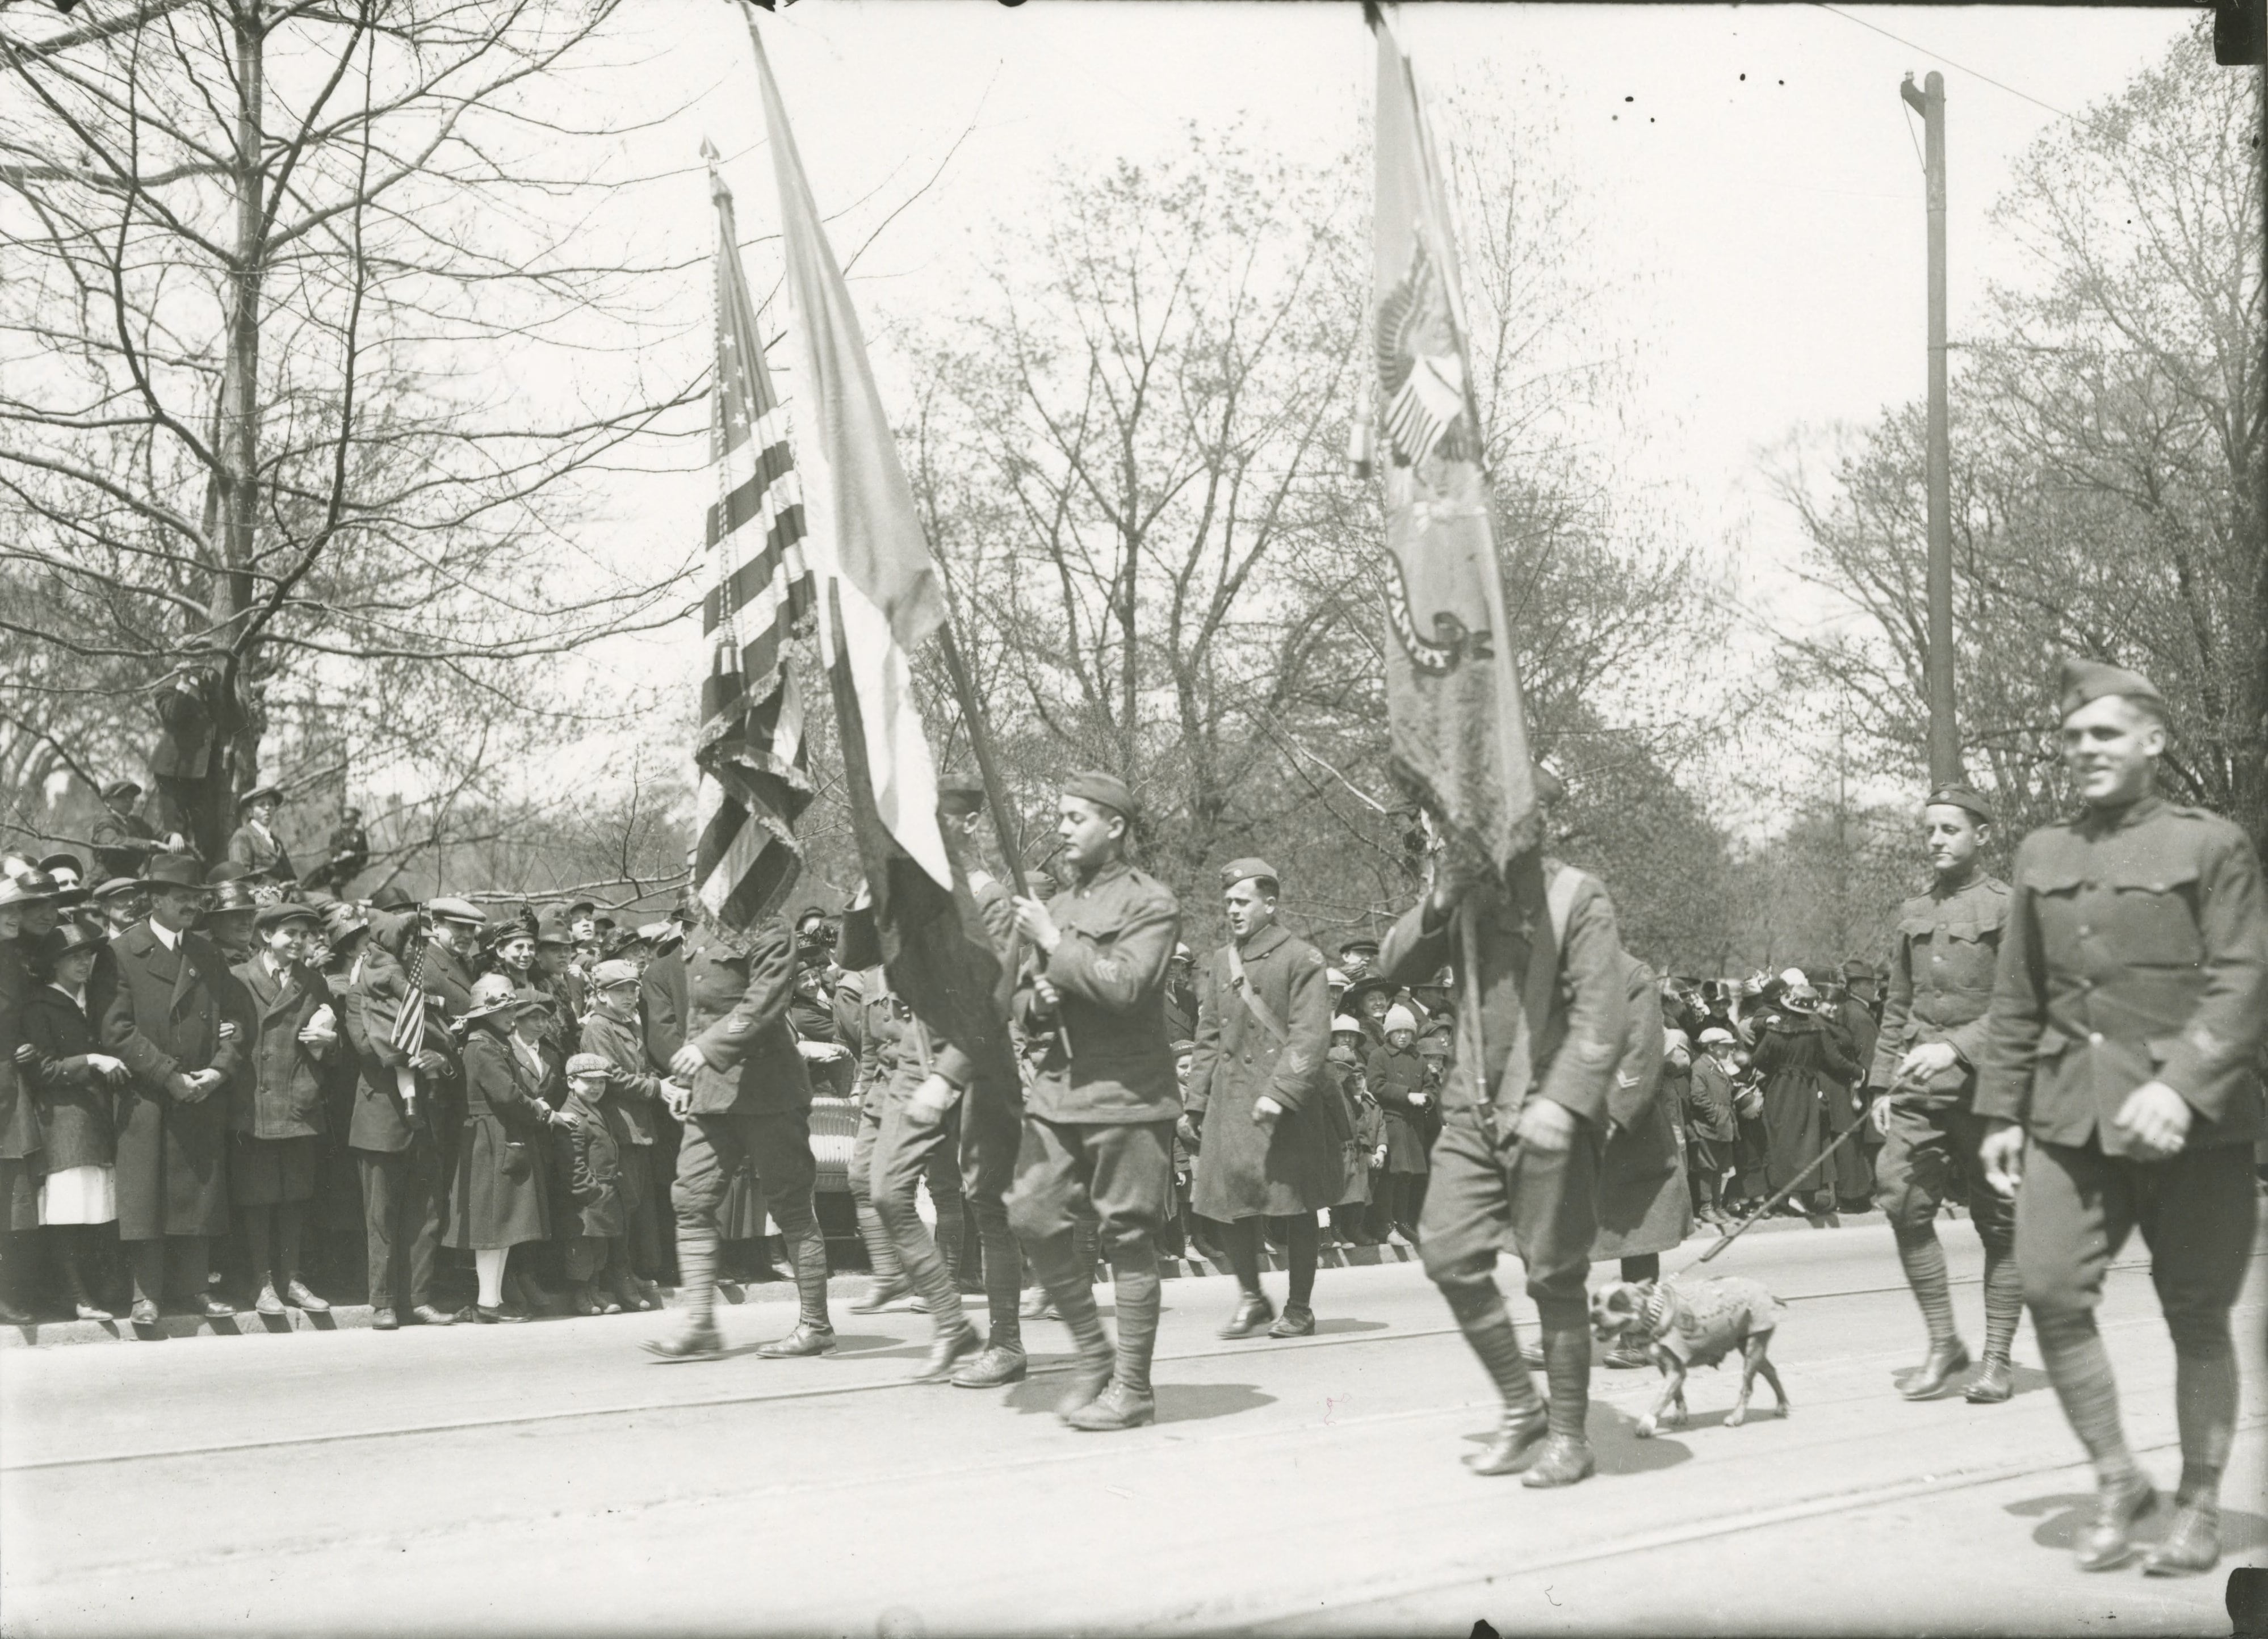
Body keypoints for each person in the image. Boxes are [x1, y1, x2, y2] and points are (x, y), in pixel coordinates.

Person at [1977, 658, 2267, 1577]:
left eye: (2104, 733)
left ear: (2154, 740)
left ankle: (2197, 1503)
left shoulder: (2212, 844)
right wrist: (2000, 1112)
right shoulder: (2041, 854)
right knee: (2052, 1291)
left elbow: (2244, 978)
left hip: (2200, 1125)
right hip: (2068, 1115)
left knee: (2197, 1314)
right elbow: (2018, 991)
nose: (2085, 751)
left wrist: (2180, 1083)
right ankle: (2116, 1479)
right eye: (2071, 739)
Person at [1378, 827, 1629, 1490]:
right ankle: (1523, 1405)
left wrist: (1565, 1099)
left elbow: (1604, 1017)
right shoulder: (1461, 896)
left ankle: (1569, 1437)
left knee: (1553, 1275)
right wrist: (1437, 899)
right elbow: (1393, 962)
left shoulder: (1576, 896)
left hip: (1549, 1105)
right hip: (1472, 1107)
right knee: (1446, 1249)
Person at [1006, 771, 1181, 1432]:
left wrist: (1055, 945)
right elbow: (1023, 1003)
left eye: (1074, 817)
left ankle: (1131, 1387)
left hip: (1126, 1096)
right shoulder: (1060, 905)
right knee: (1029, 1212)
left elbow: (1128, 985)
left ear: (1115, 826)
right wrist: (1038, 1003)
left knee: (1127, 1237)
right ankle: (1091, 1348)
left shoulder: (1151, 903)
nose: (1060, 828)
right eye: (1058, 816)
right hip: (1058, 1093)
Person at [1866, 783, 2019, 1403]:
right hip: (1916, 1090)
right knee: (1900, 1201)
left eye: (1948, 830)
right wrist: (1879, 1081)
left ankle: (1998, 1359)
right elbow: (1897, 1004)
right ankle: (1941, 1343)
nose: (1934, 840)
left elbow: (2020, 1006)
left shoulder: (2010, 908)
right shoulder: (1913, 910)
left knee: (2001, 1224)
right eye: (1928, 830)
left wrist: (1955, 1047)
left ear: (1981, 835)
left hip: (1991, 1091)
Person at [647, 910, 834, 1362]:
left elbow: (764, 1002)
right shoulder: (699, 934)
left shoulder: (769, 928)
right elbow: (698, 1013)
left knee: (790, 1202)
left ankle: (815, 1325)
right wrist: (689, 1078)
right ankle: (700, 1324)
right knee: (690, 1200)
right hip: (712, 1095)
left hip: (767, 1090)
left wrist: (707, 1049)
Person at [1183, 859, 1345, 1340]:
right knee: (1231, 1202)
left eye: (1242, 901)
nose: (1232, 909)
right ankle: (1252, 1297)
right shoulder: (1219, 962)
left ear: (1269, 904)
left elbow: (1311, 1036)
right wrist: (1194, 1103)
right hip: (1230, 1104)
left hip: (1284, 1105)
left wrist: (1280, 1093)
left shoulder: (1302, 958)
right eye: (1227, 902)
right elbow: (1207, 1035)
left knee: (1293, 1205)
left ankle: (1299, 1307)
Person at [100, 853, 244, 1322]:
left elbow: (236, 1019)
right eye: (182, 897)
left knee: (196, 1192)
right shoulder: (121, 951)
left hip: (199, 1091)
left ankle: (196, 1288)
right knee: (147, 1195)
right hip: (148, 1094)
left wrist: (219, 1071)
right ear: (155, 898)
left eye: (197, 899)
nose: (191, 906)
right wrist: (168, 1075)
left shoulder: (206, 952)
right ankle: (146, 1295)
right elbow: (116, 1030)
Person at [343, 905, 456, 1330]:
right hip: (381, 1115)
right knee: (382, 1215)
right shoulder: (361, 994)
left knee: (426, 1211)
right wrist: (409, 1054)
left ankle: (419, 1297)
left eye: (420, 943)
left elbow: (450, 1048)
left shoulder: (420, 994)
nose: (416, 950)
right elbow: (365, 1046)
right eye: (410, 942)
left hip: (425, 1114)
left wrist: (439, 1061)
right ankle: (384, 1301)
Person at [229, 901, 336, 1315]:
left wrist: (329, 1043)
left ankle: (291, 1278)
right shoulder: (237, 977)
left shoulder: (313, 981)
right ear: (265, 935)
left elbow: (332, 1039)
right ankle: (262, 1281)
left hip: (298, 1103)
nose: (299, 941)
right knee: (257, 1198)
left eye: (304, 934)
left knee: (294, 1196)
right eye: (290, 933)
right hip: (252, 1103)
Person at [445, 974, 570, 1322]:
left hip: (497, 1133)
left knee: (500, 1226)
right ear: (485, 1013)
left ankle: (492, 1301)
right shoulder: (483, 1047)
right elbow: (507, 1095)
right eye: (504, 1010)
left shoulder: (488, 1043)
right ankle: (488, 1303)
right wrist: (543, 1112)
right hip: (492, 1135)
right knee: (494, 1226)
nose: (510, 1016)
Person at [1590, 953, 1692, 1369]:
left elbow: (1642, 1054)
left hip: (1626, 1125)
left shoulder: (1631, 975)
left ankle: (1639, 1332)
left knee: (1638, 1233)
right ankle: (1558, 1335)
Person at [578, 959, 671, 1290]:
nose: (630, 995)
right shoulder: (598, 1027)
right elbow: (613, 1076)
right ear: (602, 995)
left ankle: (628, 1271)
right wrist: (657, 1088)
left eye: (633, 988)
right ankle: (617, 1275)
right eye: (620, 990)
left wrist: (662, 1081)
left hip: (639, 1125)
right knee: (621, 1204)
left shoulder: (629, 1024)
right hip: (619, 1125)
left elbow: (641, 1068)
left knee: (634, 1204)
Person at [1751, 972, 1859, 1217]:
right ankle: (1799, 1195)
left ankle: (1781, 1197)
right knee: (1805, 1143)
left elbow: (1759, 1060)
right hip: (1806, 1090)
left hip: (1779, 1089)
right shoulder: (1817, 1032)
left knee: (1780, 1142)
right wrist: (1859, 1072)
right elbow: (1835, 1060)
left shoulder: (1777, 1032)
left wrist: (1778, 1069)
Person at [557, 1053, 645, 1314]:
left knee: (598, 1248)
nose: (597, 1088)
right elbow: (571, 1162)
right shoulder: (571, 1115)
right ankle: (581, 1295)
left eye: (602, 1083)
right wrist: (589, 1191)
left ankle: (594, 1292)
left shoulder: (596, 1110)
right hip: (586, 1196)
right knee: (580, 1247)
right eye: (589, 1082)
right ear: (571, 1082)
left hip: (604, 1191)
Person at [1364, 1003, 1429, 1246]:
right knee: (1391, 1175)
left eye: (1407, 1032)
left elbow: (1430, 1084)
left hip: (1413, 1125)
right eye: (1398, 1032)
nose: (1403, 1036)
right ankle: (1385, 1224)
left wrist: (1428, 1097)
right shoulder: (1379, 1056)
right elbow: (1376, 1085)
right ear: (1388, 1034)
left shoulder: (1418, 1058)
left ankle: (1402, 1222)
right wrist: (1407, 1095)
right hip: (1391, 1122)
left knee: (1408, 1176)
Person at [147, 648, 221, 845]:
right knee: (176, 834)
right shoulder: (168, 687)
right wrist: (183, 684)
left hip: (200, 772)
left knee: (207, 832)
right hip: (174, 770)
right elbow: (172, 716)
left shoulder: (205, 688)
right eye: (192, 657)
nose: (197, 662)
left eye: (200, 656)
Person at [1686, 1028, 1741, 1227]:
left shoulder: (1718, 1066)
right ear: (1711, 1047)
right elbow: (1698, 1097)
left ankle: (1718, 1206)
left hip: (1722, 1127)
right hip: (1708, 1128)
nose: (1730, 1050)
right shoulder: (1700, 1067)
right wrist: (1716, 1116)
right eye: (1725, 1046)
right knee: (1707, 1168)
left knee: (1720, 1169)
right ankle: (1707, 1207)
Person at [90, 780, 164, 886]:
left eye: (131, 797)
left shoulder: (136, 823)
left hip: (130, 881)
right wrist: (149, 844)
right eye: (122, 797)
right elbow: (111, 842)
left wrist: (173, 837)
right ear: (107, 802)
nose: (128, 800)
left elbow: (157, 836)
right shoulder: (105, 821)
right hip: (105, 881)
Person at [226, 785, 294, 886]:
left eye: (271, 804)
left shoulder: (276, 842)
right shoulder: (242, 837)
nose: (267, 808)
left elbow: (290, 876)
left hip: (287, 896)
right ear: (250, 812)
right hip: (261, 899)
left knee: (325, 899)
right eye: (262, 804)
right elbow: (241, 881)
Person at [303, 807, 368, 896]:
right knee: (314, 879)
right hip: (336, 866)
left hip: (350, 868)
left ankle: (339, 904)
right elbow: (333, 849)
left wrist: (356, 860)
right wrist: (341, 854)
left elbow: (365, 854)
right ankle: (304, 890)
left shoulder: (359, 835)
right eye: (344, 820)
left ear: (355, 822)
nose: (345, 823)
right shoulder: (337, 834)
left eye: (349, 821)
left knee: (335, 883)